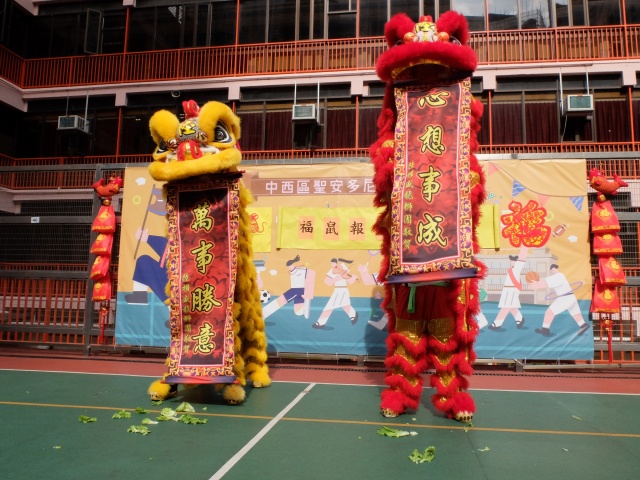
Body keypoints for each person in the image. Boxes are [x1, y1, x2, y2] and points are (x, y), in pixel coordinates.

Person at [530, 264, 590, 336]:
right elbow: (547, 282)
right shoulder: (560, 276)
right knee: (576, 314)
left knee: (549, 312)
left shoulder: (558, 276)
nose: (553, 271)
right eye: (552, 270)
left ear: (557, 268)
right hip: (571, 297)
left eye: (554, 269)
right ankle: (583, 325)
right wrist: (537, 284)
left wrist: (537, 284)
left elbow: (545, 283)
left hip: (565, 298)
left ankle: (545, 329)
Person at [262, 255, 314, 319]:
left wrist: (308, 294)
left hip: (297, 290)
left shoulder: (301, 270)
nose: (288, 268)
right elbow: (293, 267)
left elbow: (310, 273)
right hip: (297, 290)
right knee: (298, 312)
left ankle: (264, 313)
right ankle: (304, 306)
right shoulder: (293, 271)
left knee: (281, 300)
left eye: (289, 266)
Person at [488, 245, 528, 330]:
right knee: (512, 306)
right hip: (508, 289)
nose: (512, 262)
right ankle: (520, 319)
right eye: (511, 260)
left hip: (512, 289)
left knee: (506, 307)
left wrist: (525, 246)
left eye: (514, 260)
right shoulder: (511, 269)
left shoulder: (517, 267)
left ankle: (497, 323)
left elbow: (522, 256)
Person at [312, 258, 358, 329]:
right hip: (337, 290)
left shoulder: (343, 268)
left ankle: (320, 323)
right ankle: (353, 315)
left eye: (334, 263)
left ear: (337, 263)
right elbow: (327, 282)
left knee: (330, 306)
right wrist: (336, 279)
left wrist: (354, 277)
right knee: (344, 305)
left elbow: (350, 282)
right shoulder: (331, 271)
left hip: (343, 290)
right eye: (331, 263)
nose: (333, 265)